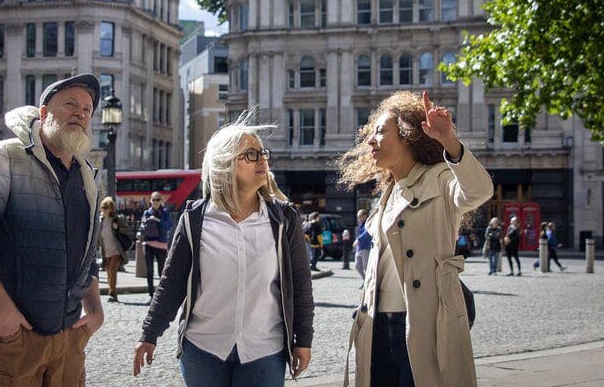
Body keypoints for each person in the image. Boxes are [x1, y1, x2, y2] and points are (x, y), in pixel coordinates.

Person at [133, 112, 314, 386]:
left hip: (265, 350)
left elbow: (300, 282)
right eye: (250, 155)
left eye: (262, 152)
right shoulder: (195, 220)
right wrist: (149, 334)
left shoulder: (283, 219)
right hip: (203, 349)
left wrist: (304, 339)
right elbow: (172, 282)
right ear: (225, 164)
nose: (262, 159)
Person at [0, 74, 104, 386]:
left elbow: (87, 250)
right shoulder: (4, 156)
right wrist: (2, 311)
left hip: (69, 338)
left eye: (87, 109)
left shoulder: (86, 174)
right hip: (15, 337)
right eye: (70, 105)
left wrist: (95, 310)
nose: (79, 113)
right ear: (43, 113)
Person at [337, 91, 493, 387]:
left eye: (381, 132)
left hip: (424, 322)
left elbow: (478, 192)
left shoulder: (440, 178)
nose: (371, 140)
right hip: (377, 324)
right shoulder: (387, 193)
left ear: (409, 136)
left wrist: (449, 141)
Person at [140, 191, 172, 303]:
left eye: (158, 199)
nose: (156, 202)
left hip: (161, 244)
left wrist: (157, 220)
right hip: (149, 243)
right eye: (154, 199)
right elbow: (141, 227)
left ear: (161, 201)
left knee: (161, 271)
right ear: (150, 201)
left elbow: (169, 225)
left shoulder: (165, 212)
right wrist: (146, 222)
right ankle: (151, 295)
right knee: (149, 271)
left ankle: (161, 295)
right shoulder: (147, 213)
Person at [99, 196, 129, 303]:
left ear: (111, 208)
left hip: (116, 250)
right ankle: (112, 292)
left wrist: (118, 228)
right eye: (102, 207)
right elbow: (98, 236)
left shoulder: (116, 219)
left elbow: (128, 231)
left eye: (106, 207)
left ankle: (112, 292)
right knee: (108, 273)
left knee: (112, 271)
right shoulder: (101, 220)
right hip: (105, 251)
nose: (103, 209)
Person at [354, 209, 372, 289]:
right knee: (357, 266)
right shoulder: (360, 224)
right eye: (358, 217)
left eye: (360, 217)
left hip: (365, 247)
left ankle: (368, 283)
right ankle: (365, 280)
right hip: (359, 248)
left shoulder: (368, 223)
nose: (359, 218)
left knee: (365, 266)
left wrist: (358, 239)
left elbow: (367, 233)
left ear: (365, 216)